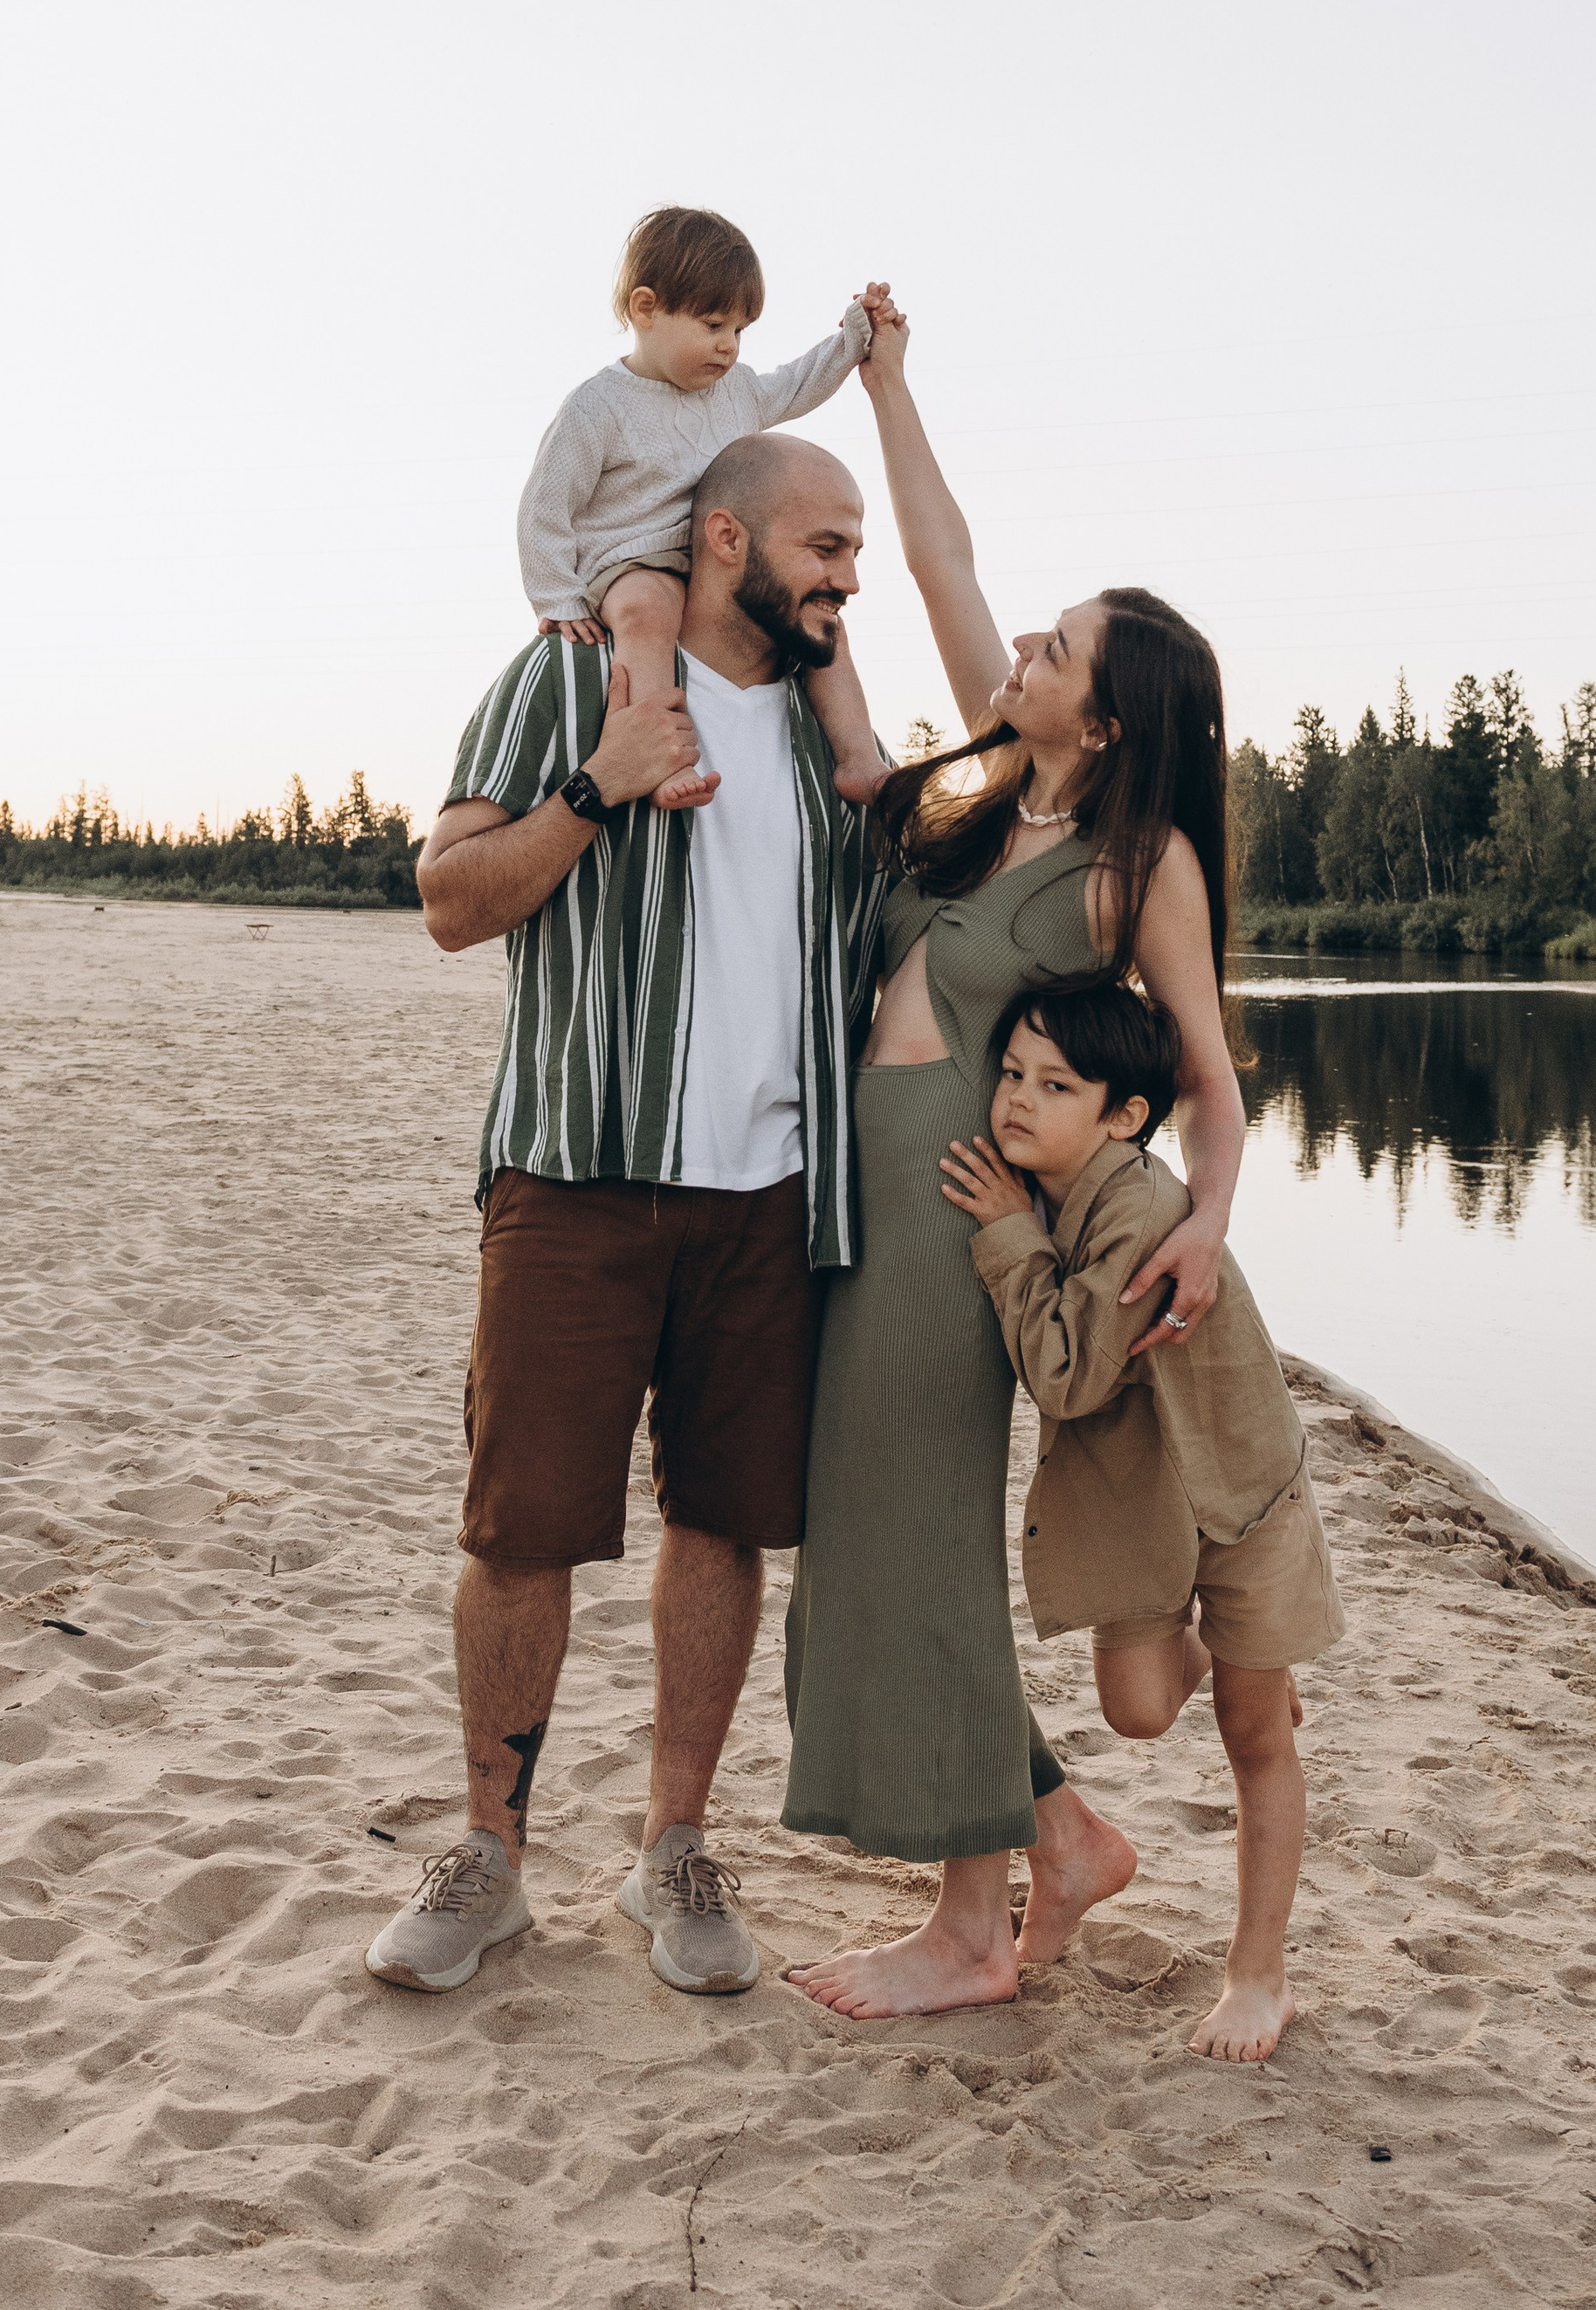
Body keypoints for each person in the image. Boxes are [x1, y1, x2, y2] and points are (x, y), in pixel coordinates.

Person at [364, 427, 886, 2000]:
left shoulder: (826, 735)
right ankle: (490, 1859)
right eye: (826, 546)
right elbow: (452, 905)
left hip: (773, 1203)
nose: (847, 579)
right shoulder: (572, 670)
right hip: (574, 1174)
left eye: (857, 551)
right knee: (523, 1530)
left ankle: (673, 1849)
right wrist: (603, 783)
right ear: (726, 539)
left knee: (721, 1525)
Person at [782, 294, 1249, 2021]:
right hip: (859, 1184)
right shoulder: (988, 803)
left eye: (1052, 649)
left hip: (960, 1209)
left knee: (911, 1531)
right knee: (865, 1527)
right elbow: (934, 560)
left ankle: (978, 1920)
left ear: (1109, 713)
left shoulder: (1142, 869)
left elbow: (1209, 1082)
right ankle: (1049, 1842)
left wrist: (1198, 1227)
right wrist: (892, 388)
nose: (1018, 654)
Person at [940, 984, 1342, 2065]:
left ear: (1123, 1114)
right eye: (1013, 1073)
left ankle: (1260, 1977)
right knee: (1138, 1711)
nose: (1018, 1100)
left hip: (1242, 1485)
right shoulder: (1046, 1182)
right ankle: (1233, 1654)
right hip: (1141, 1507)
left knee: (1255, 1738)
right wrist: (1021, 1219)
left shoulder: (1129, 1208)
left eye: (1055, 1085)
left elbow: (1066, 1377)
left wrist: (1008, 1240)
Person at [517, 203, 889, 805]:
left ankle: (858, 761)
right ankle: (653, 758)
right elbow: (546, 507)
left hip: (716, 561)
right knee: (648, 612)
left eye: (740, 331)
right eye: (713, 325)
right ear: (646, 310)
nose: (729, 348)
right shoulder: (598, 407)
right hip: (632, 561)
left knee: (818, 625)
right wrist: (556, 595)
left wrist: (853, 339)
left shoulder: (734, 391)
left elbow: (797, 384)